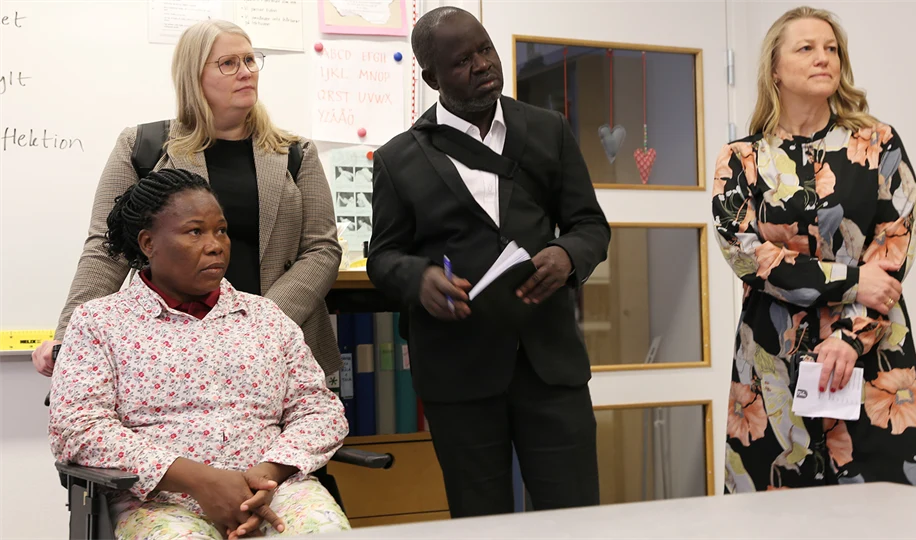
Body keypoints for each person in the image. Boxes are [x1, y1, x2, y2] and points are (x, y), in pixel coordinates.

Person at [366, 6, 610, 517]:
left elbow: (591, 226)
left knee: (576, 516)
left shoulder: (548, 130)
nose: (482, 65)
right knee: (481, 521)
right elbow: (384, 256)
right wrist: (421, 279)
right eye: (462, 61)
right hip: (460, 369)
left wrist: (568, 255)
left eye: (485, 50)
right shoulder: (398, 158)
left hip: (549, 364)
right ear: (431, 76)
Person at [32, 19, 342, 381]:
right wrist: (69, 335)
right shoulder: (141, 147)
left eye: (250, 60)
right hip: (168, 349)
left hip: (278, 346)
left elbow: (322, 249)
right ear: (193, 76)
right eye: (228, 63)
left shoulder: (295, 153)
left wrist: (260, 323)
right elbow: (106, 247)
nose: (245, 72)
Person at [49, 168, 350, 539]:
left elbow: (319, 410)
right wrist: (201, 481)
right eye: (195, 232)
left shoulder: (266, 318)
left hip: (272, 493)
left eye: (220, 230)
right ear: (148, 243)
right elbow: (78, 428)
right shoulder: (99, 323)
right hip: (161, 502)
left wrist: (269, 472)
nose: (215, 245)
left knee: (325, 530)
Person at [713, 6, 916, 492]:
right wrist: (852, 279)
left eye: (832, 49)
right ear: (774, 67)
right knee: (774, 514)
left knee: (894, 512)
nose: (823, 58)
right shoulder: (741, 160)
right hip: (773, 362)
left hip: (873, 350)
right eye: (807, 48)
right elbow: (748, 253)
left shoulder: (879, 144)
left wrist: (849, 336)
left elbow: (894, 242)